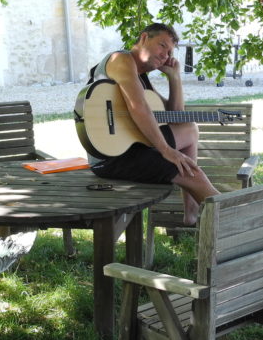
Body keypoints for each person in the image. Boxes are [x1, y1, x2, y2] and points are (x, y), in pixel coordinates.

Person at [85, 22, 218, 225]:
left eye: (170, 51)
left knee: (189, 129)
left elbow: (175, 117)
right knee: (194, 175)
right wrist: (166, 150)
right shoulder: (121, 60)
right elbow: (138, 107)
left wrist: (174, 78)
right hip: (111, 157)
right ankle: (236, 222)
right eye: (162, 45)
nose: (166, 54)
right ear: (144, 38)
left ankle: (191, 212)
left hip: (134, 148)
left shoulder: (141, 77)